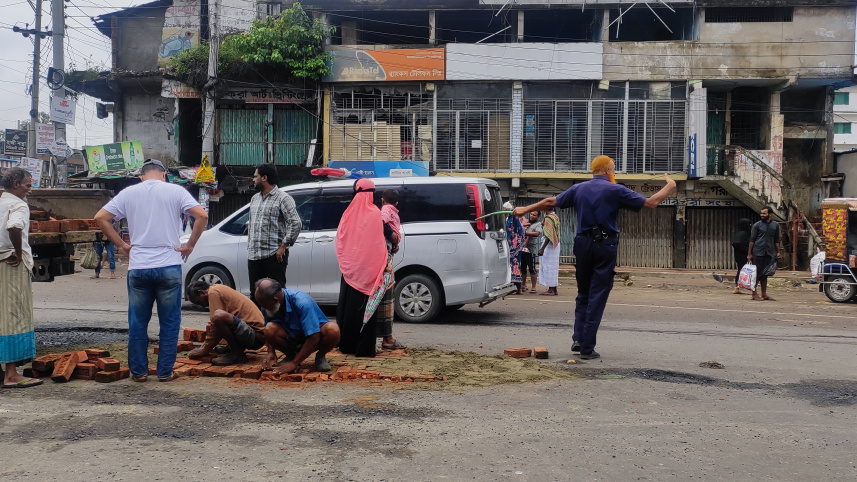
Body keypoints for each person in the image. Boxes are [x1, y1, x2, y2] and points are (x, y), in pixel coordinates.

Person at [513, 155, 676, 360]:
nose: (614, 172)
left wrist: (524, 209)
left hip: (582, 244)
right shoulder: (615, 189)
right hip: (605, 245)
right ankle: (587, 348)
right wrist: (670, 185)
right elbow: (652, 203)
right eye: (614, 169)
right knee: (598, 294)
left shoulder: (579, 188)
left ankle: (578, 339)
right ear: (608, 170)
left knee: (583, 293)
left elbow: (550, 201)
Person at [95, 159, 208, 382]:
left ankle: (139, 372)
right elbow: (201, 216)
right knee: (169, 321)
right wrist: (190, 245)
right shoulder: (176, 191)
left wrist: (121, 245)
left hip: (139, 266)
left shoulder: (129, 193)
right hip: (168, 264)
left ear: (141, 177)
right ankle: (165, 372)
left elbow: (101, 218)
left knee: (138, 321)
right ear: (164, 174)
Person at [335, 178, 388, 357]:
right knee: (366, 310)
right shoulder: (375, 214)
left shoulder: (347, 214)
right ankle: (363, 348)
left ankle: (345, 345)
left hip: (350, 271)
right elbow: (380, 244)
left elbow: (341, 240)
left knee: (347, 307)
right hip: (369, 272)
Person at [1, 168, 42, 389]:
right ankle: (11, 374)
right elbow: (14, 226)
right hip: (11, 265)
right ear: (16, 184)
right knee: (14, 316)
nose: (29, 189)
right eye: (27, 185)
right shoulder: (17, 204)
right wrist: (18, 252)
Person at [255, 278, 340, 375]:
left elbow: (314, 337)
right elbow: (267, 326)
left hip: (314, 338)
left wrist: (294, 363)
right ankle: (290, 356)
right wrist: (270, 352)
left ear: (275, 300)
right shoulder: (266, 304)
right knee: (269, 329)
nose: (263, 308)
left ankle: (320, 357)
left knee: (333, 329)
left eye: (265, 306)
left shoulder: (302, 303)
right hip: (292, 337)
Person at [247, 163, 301, 300]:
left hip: (274, 255)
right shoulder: (255, 198)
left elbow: (295, 223)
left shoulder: (283, 198)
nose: (253, 179)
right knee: (256, 295)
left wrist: (284, 246)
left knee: (276, 294)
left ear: (264, 178)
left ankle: (278, 322)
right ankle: (258, 322)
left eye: (255, 176)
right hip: (254, 255)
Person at [186, 281, 266, 366]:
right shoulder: (217, 288)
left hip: (256, 337)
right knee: (221, 317)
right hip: (253, 334)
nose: (201, 305)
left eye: (198, 302)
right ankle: (232, 348)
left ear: (202, 292)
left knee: (218, 316)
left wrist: (205, 348)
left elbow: (215, 325)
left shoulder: (213, 293)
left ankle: (237, 353)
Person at [378, 189, 405, 350]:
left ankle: (386, 337)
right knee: (386, 293)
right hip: (385, 253)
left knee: (385, 293)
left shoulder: (383, 210)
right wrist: (393, 239)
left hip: (383, 254)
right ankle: (386, 338)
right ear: (397, 203)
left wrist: (391, 240)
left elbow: (380, 223)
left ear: (382, 200)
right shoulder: (392, 211)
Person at [748, 207, 782, 301]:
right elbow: (752, 240)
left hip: (769, 252)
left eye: (764, 214)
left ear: (770, 214)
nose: (762, 215)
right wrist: (749, 254)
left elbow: (777, 240)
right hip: (758, 252)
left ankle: (764, 294)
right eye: (761, 213)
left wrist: (778, 251)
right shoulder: (757, 225)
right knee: (757, 274)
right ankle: (754, 294)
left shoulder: (775, 225)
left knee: (765, 274)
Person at [538, 207, 561, 296]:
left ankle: (551, 290)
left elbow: (549, 234)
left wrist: (542, 248)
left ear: (545, 209)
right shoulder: (555, 216)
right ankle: (554, 289)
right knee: (553, 267)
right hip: (555, 244)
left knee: (548, 267)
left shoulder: (548, 218)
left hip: (550, 245)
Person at [505, 201, 526, 295]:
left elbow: (507, 232)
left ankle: (516, 288)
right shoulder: (515, 221)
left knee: (514, 266)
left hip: (513, 247)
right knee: (516, 266)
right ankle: (518, 288)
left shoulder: (510, 221)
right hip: (515, 247)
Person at [522, 211, 542, 293]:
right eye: (531, 214)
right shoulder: (527, 223)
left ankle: (533, 287)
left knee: (532, 268)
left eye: (534, 215)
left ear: (538, 217)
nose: (532, 216)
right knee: (522, 268)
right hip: (522, 248)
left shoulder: (538, 224)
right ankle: (523, 285)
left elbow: (537, 233)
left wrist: (524, 232)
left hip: (531, 250)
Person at [731, 218, 752, 294]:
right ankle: (737, 287)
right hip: (741, 255)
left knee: (743, 271)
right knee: (741, 270)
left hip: (742, 255)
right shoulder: (742, 233)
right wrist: (748, 251)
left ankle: (740, 286)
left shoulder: (743, 233)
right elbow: (736, 244)